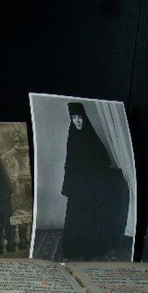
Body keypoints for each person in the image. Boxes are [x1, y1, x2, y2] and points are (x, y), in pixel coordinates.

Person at [60, 102, 128, 261]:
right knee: (75, 217)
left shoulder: (91, 137)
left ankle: (89, 248)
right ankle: (74, 248)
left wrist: (92, 177)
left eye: (79, 117)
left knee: (89, 218)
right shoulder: (72, 137)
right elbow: (68, 165)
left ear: (84, 117)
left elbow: (103, 162)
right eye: (74, 117)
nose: (77, 121)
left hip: (90, 187)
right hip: (77, 189)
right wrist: (70, 186)